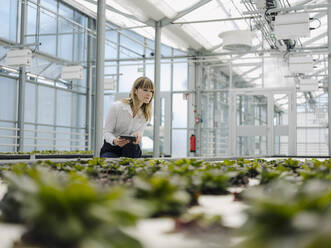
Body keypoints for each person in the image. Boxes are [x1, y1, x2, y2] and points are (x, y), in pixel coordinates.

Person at [100, 76, 154, 158]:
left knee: (131, 165)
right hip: (112, 148)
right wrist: (115, 141)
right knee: (109, 165)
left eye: (151, 91)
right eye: (145, 90)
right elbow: (107, 132)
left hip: (131, 149)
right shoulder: (117, 107)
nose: (149, 94)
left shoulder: (146, 113)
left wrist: (138, 135)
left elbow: (140, 132)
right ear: (135, 91)